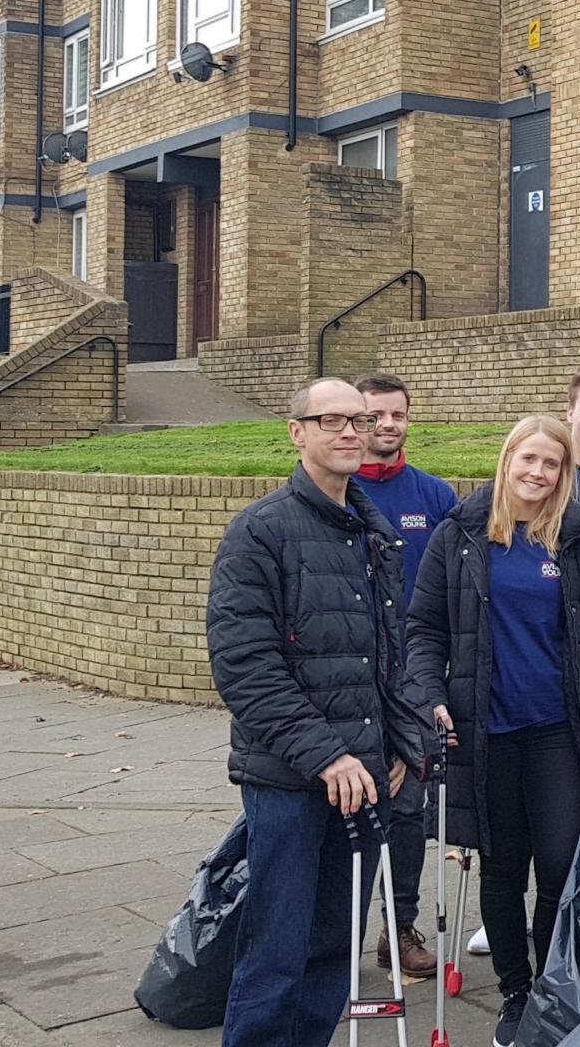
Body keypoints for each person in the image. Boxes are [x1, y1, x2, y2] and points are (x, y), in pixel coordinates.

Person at [207, 379, 429, 1047]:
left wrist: (401, 743)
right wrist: (327, 754)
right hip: (291, 781)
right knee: (278, 945)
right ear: (295, 431)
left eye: (358, 421)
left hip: (365, 776)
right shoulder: (260, 532)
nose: (348, 432)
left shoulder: (372, 529)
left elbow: (389, 654)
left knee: (335, 944)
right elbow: (244, 664)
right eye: (330, 419)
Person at [403, 416, 580, 1047]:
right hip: (486, 731)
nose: (537, 472)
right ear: (507, 460)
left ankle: (557, 985)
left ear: (564, 474)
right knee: (504, 868)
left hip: (559, 729)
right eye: (527, 459)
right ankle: (515, 991)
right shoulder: (459, 535)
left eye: (551, 464)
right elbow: (422, 630)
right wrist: (428, 697)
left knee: (560, 863)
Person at [350, 373, 457, 981]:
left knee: (408, 805)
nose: (385, 426)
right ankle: (334, 931)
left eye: (396, 415)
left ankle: (400, 928)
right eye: (373, 416)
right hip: (348, 675)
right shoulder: (337, 492)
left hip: (413, 676)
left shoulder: (434, 495)